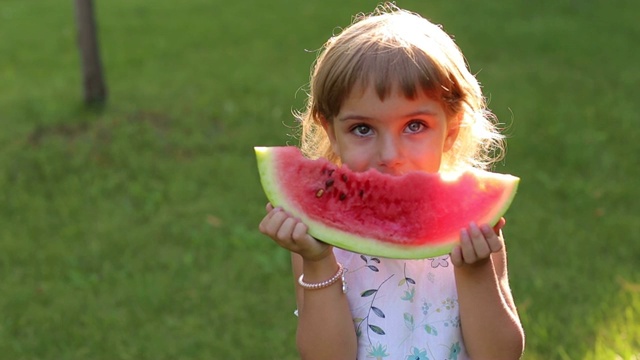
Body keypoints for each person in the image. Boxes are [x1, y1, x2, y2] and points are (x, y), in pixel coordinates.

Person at [259, 4, 525, 359]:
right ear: (331, 132)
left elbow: (500, 354)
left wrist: (475, 270)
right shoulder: (322, 239)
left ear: (451, 129)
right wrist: (319, 261)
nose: (390, 153)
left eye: (414, 126)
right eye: (362, 129)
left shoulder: (472, 230)